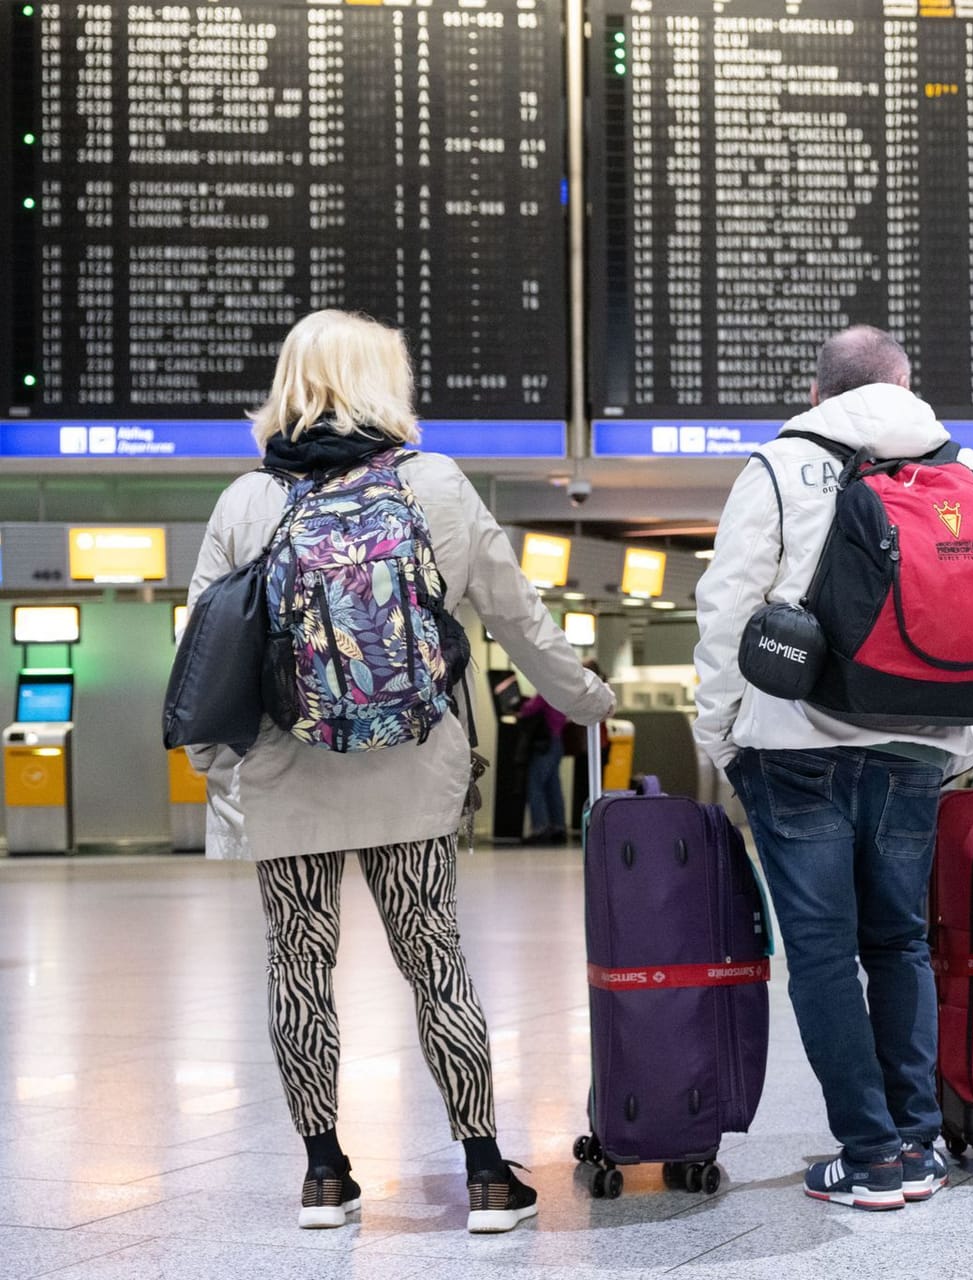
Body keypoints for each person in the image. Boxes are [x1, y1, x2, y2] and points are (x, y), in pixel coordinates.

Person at [187, 310, 614, 1233]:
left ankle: (323, 1176)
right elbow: (518, 616)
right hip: (414, 771)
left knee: (299, 972)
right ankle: (488, 1172)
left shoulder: (246, 503)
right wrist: (587, 700)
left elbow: (203, 657)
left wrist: (221, 778)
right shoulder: (438, 486)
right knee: (436, 964)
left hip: (286, 775)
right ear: (389, 380)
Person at [694, 325, 973, 1212]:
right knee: (899, 941)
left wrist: (718, 735)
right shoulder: (968, 469)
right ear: (905, 383)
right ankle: (920, 1144)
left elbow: (729, 602)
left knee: (821, 950)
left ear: (820, 394)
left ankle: (869, 1153)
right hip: (918, 742)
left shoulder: (777, 464)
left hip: (794, 739)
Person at [517, 690, 568, 843]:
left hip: (545, 744)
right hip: (557, 741)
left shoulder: (547, 692)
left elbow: (528, 709)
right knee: (553, 787)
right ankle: (558, 827)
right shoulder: (561, 692)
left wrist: (519, 708)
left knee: (535, 785)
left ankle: (540, 828)